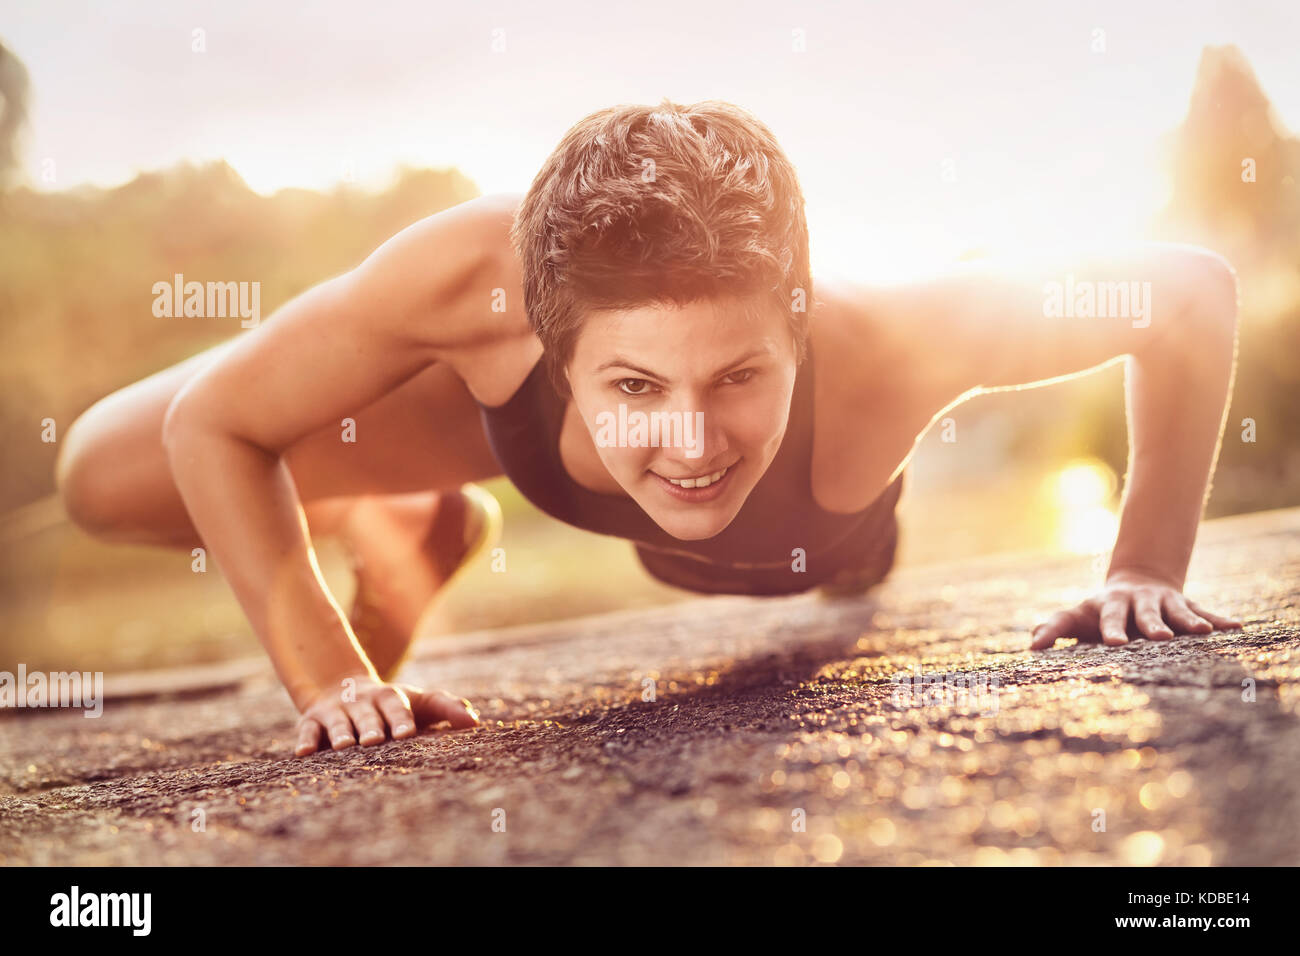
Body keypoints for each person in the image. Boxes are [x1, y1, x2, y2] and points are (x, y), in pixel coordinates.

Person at [54, 99, 1244, 757]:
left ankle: (446, 510)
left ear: (798, 322)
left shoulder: (902, 341)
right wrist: (329, 678)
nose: (688, 439)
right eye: (631, 385)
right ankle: (416, 525)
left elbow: (1187, 293)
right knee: (104, 472)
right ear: (550, 336)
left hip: (805, 548)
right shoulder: (478, 274)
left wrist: (1141, 563)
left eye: (738, 374)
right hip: (501, 438)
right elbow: (215, 421)